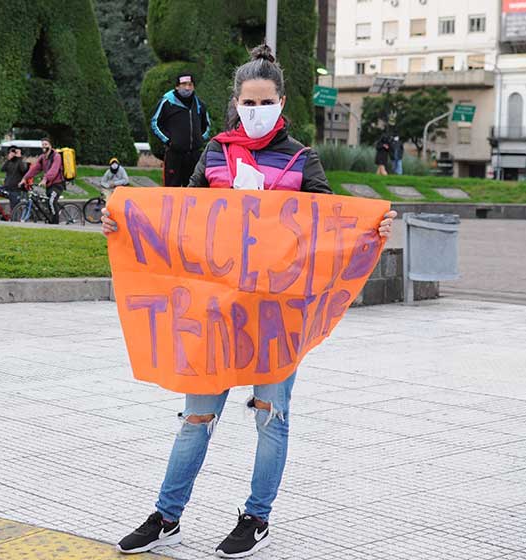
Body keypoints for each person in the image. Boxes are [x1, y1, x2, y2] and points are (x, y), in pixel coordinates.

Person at [101, 45, 396, 558]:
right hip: (216, 311)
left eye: (266, 101)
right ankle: (166, 515)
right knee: (197, 418)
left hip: (278, 312)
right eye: (247, 102)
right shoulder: (214, 153)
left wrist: (373, 229)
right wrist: (123, 221)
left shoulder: (302, 158)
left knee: (270, 414)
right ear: (235, 102)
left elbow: (330, 224)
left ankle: (256, 517)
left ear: (281, 102)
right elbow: (180, 218)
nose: (256, 110)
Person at [151, 74, 211, 187]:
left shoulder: (200, 104)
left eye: (190, 85)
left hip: (194, 154)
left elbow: (206, 124)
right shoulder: (167, 102)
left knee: (195, 188)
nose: (187, 88)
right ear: (177, 87)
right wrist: (169, 141)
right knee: (172, 189)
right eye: (183, 85)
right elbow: (155, 123)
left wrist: (200, 139)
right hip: (174, 154)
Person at [22, 137, 65, 224]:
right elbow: (35, 169)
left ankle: (55, 224)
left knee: (51, 201)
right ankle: (50, 218)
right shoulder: (42, 157)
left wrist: (45, 179)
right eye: (42, 145)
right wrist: (24, 178)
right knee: (46, 202)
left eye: (46, 144)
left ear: (50, 145)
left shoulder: (56, 156)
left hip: (57, 184)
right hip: (48, 185)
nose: (44, 146)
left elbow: (54, 170)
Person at [0, 145, 29, 209]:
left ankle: (14, 218)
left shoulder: (21, 161)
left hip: (16, 190)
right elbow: (2, 169)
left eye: (15, 152)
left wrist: (19, 157)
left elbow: (24, 170)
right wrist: (8, 159)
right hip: (6, 187)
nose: (13, 153)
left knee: (14, 208)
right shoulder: (9, 162)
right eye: (11, 152)